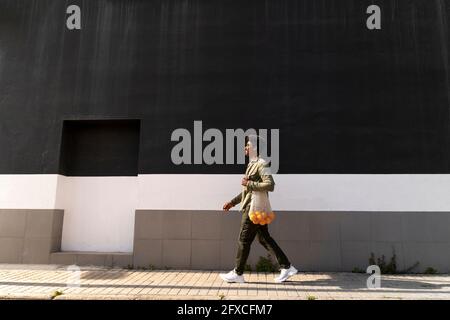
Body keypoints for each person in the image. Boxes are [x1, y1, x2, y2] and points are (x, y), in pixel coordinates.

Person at [220, 135, 298, 283]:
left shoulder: (261, 164)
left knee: (244, 240)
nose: (245, 147)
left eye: (248, 145)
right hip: (254, 208)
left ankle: (238, 273)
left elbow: (270, 185)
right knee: (263, 238)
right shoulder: (252, 164)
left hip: (253, 210)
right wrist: (232, 202)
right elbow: (247, 191)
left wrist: (250, 184)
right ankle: (286, 266)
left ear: (255, 148)